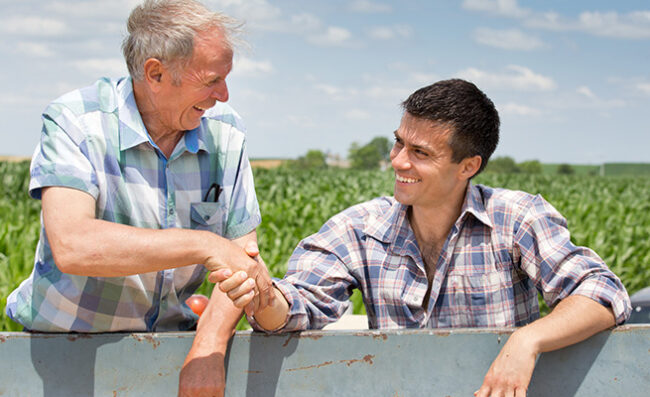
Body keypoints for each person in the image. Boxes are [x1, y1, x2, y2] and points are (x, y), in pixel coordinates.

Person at [214, 79, 632, 396]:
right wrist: (264, 296)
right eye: (398, 143)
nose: (398, 161)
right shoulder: (360, 228)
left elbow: (601, 292)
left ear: (468, 166)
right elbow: (297, 307)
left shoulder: (516, 218)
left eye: (421, 153)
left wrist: (528, 340)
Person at [4, 1, 274, 396]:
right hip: (64, 352)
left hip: (175, 348)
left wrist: (209, 351)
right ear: (155, 73)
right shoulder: (76, 121)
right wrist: (202, 244)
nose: (223, 94)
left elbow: (241, 260)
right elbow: (73, 244)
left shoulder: (226, 133)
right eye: (212, 80)